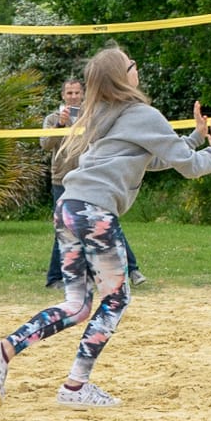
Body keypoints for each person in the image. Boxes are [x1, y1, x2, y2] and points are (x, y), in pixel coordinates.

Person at [0, 46, 211, 409]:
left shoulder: (103, 113)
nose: (136, 67)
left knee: (78, 304)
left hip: (69, 207)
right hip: (94, 211)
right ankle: (76, 387)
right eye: (132, 64)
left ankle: (3, 349)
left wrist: (191, 139)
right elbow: (191, 167)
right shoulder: (142, 113)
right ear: (124, 75)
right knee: (117, 298)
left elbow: (148, 159)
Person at [40, 77, 144, 287]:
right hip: (63, 180)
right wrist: (61, 124)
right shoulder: (53, 119)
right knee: (64, 229)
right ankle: (55, 278)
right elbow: (45, 144)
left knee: (108, 223)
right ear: (63, 95)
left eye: (77, 93)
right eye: (69, 93)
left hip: (91, 179)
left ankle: (131, 270)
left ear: (83, 94)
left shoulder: (93, 116)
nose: (73, 97)